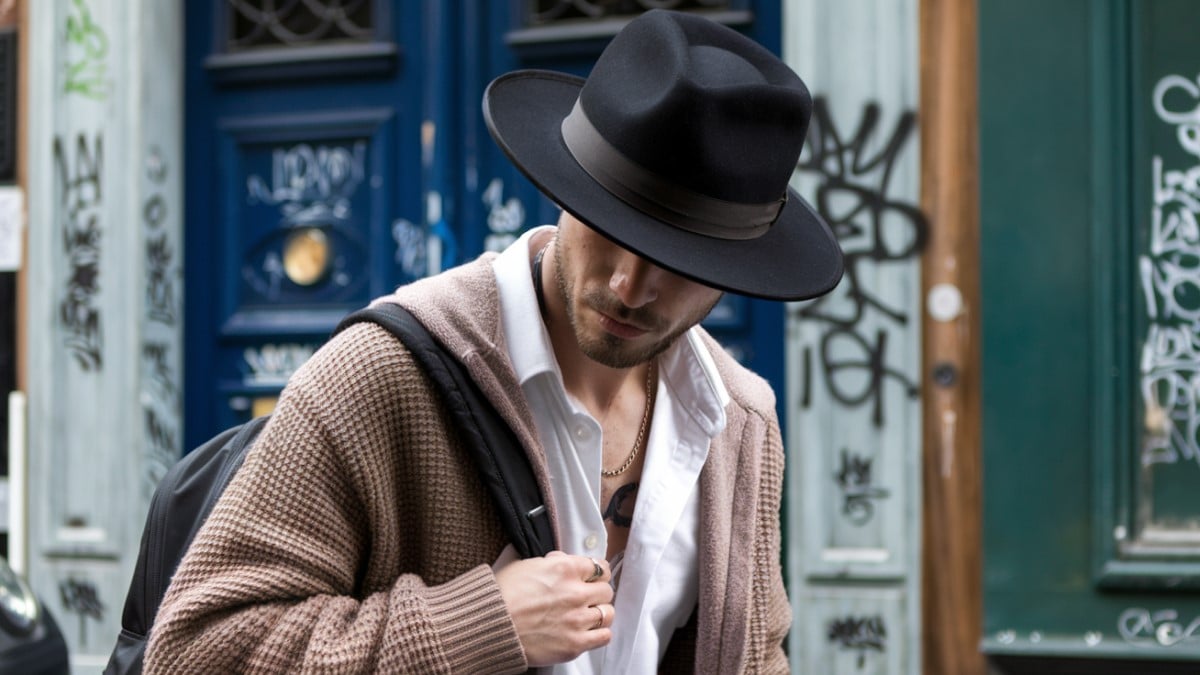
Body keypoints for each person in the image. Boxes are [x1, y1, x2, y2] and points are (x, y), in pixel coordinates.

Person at [144, 9, 842, 674]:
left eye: (683, 262)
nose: (631, 285)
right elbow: (195, 650)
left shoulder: (741, 424)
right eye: (613, 227)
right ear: (569, 191)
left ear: (735, 270)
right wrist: (479, 624)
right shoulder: (379, 375)